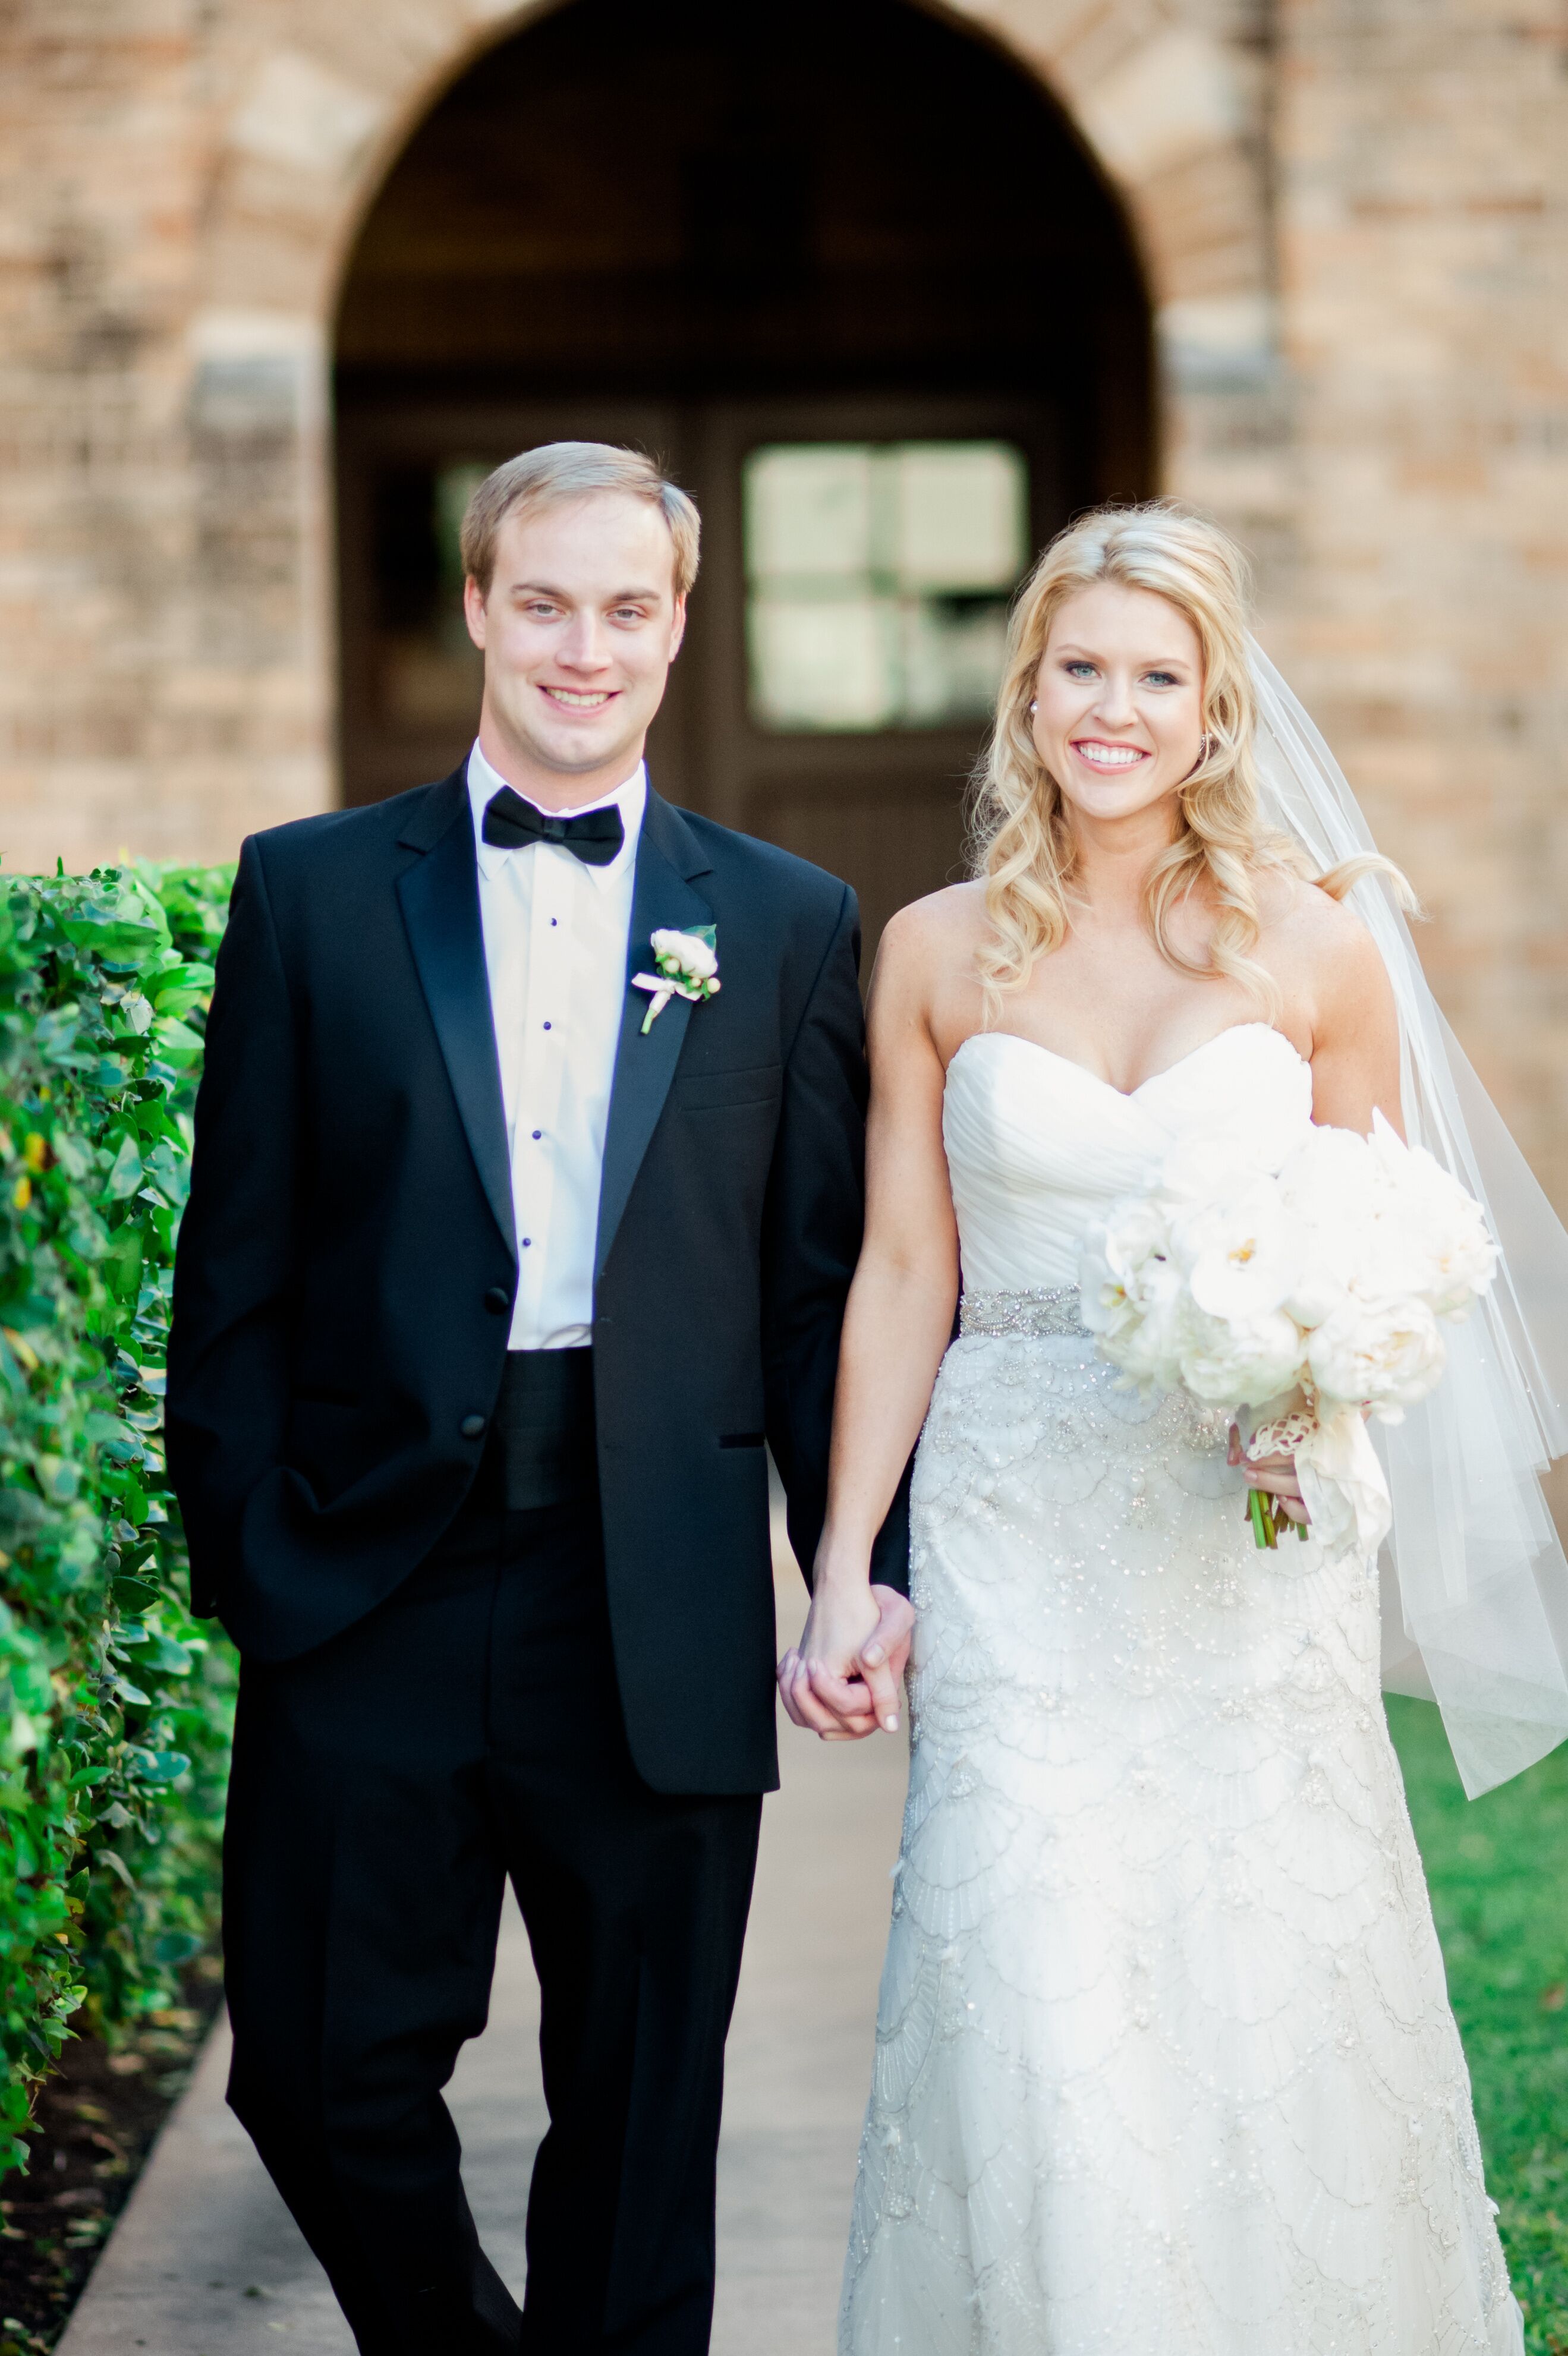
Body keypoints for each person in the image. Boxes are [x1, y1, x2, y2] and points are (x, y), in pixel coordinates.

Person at [779, 503, 1567, 2351]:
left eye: (1158, 675)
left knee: (1265, 1953)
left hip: (1243, 1525)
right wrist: (839, 1567)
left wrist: (1317, 1401)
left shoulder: (1322, 946)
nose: (1113, 709)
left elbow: (1391, 1253)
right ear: (1028, 687)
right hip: (1011, 1516)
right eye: (1081, 670)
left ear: (1215, 706)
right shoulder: (933, 950)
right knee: (1032, 1961)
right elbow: (904, 1268)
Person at [166, 440, 908, 2355]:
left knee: (642, 2123)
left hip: (648, 1583)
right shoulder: (312, 894)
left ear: (678, 629)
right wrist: (249, 1546)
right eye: (549, 602)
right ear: (482, 608)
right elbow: (233, 1269)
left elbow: (821, 1295)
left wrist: (857, 1566)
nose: (588, 648)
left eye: (631, 610)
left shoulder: (794, 918)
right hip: (367, 1573)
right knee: (319, 2078)